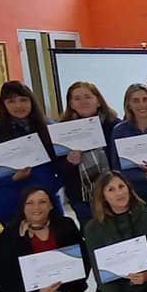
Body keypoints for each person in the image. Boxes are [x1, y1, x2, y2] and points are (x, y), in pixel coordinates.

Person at [0, 81, 62, 224]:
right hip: (9, 202)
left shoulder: (49, 127)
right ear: (4, 104)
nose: (18, 105)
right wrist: (12, 178)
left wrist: (54, 185)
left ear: (31, 101)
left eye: (23, 100)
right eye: (11, 101)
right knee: (17, 237)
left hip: (45, 199)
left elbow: (63, 162)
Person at [56, 81, 120, 226]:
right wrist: (70, 162)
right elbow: (58, 169)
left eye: (88, 97)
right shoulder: (62, 131)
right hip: (81, 198)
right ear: (71, 104)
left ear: (98, 101)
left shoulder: (115, 125)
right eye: (77, 98)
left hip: (115, 191)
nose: (83, 102)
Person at [107, 84, 147, 223]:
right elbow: (116, 168)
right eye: (135, 100)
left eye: (145, 99)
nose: (141, 104)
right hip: (135, 193)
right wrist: (143, 176)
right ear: (128, 105)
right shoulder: (119, 131)